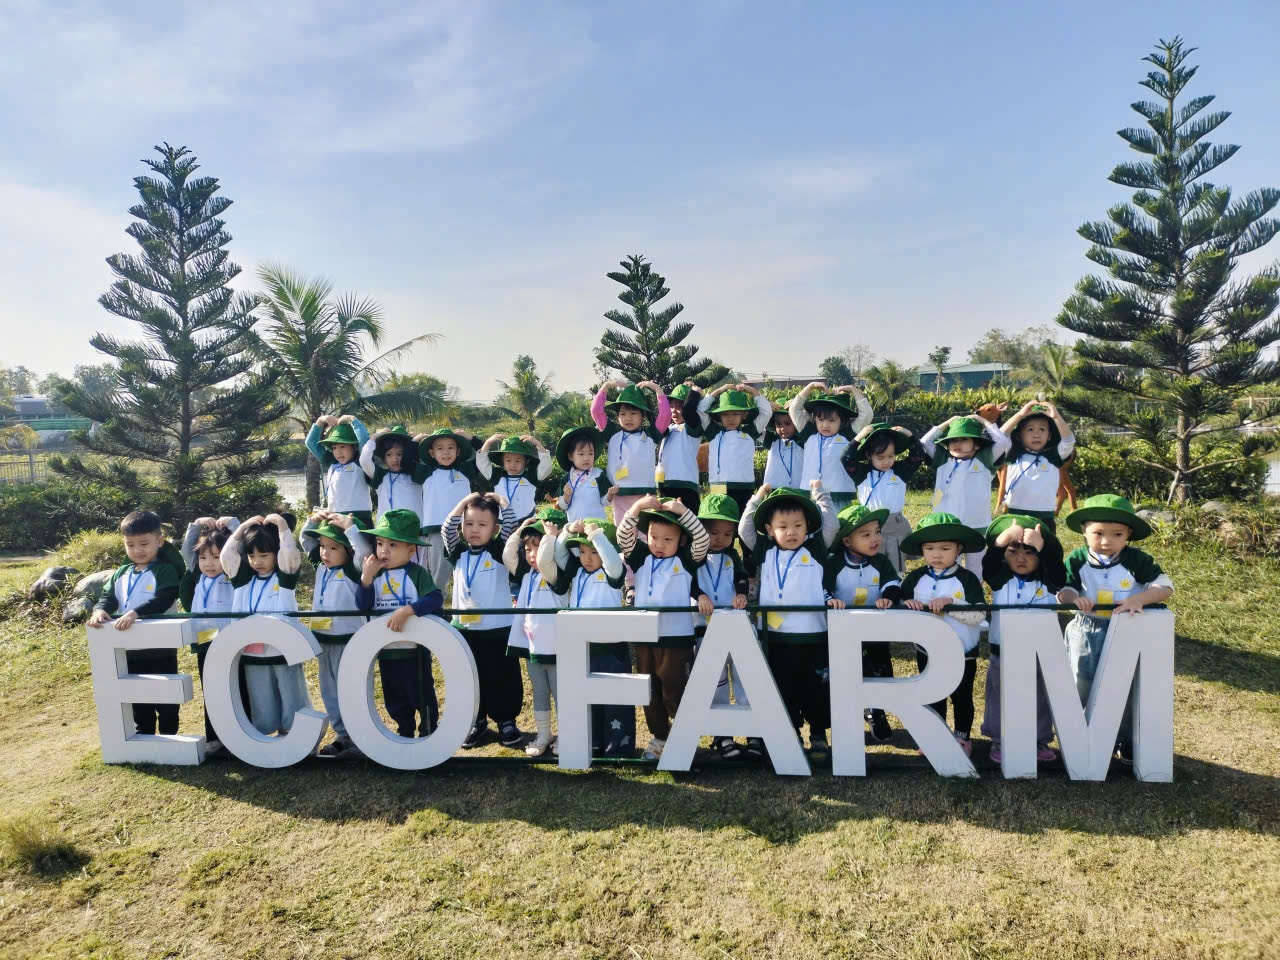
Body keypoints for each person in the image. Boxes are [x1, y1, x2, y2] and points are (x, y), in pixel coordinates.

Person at [1057, 494, 1173, 765]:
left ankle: (1124, 740)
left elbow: (1164, 586)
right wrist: (1074, 598)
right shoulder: (1077, 559)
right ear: (1084, 530)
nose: (1106, 541)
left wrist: (1139, 599)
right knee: (1081, 682)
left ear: (1128, 534)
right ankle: (1081, 737)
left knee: (1125, 685)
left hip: (1126, 630)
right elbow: (1062, 588)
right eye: (1098, 533)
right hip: (1087, 629)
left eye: (1117, 534)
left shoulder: (1136, 560)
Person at [738, 482, 839, 761]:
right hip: (775, 637)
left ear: (808, 527)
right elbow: (745, 530)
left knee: (816, 688)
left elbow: (831, 525)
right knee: (783, 688)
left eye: (798, 525)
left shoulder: (815, 548)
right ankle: (790, 733)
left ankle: (818, 735)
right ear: (770, 530)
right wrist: (757, 498)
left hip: (812, 634)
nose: (791, 532)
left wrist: (820, 493)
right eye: (783, 527)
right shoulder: (765, 550)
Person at [617, 495, 711, 761]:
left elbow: (702, 539)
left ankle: (683, 738)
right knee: (649, 691)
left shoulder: (686, 560)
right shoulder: (640, 556)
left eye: (668, 539)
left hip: (676, 638)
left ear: (680, 541)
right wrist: (637, 507)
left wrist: (683, 511)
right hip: (644, 637)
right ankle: (659, 737)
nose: (659, 544)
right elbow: (623, 537)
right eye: (653, 537)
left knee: (674, 689)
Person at [538, 518, 632, 756]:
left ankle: (618, 748)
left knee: (613, 699)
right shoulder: (578, 571)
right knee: (588, 698)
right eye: (582, 552)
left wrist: (596, 535)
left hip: (610, 649)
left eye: (594, 552)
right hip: (582, 647)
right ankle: (593, 742)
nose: (587, 558)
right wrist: (569, 530)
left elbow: (611, 560)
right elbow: (560, 553)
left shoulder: (613, 573)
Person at [89, 510, 185, 736]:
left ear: (159, 541)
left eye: (144, 543)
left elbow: (164, 598)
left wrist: (136, 613)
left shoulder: (165, 570)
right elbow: (108, 597)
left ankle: (170, 740)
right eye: (130, 545)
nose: (137, 550)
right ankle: (145, 740)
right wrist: (100, 610)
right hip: (128, 650)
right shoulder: (121, 573)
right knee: (137, 699)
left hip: (160, 649)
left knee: (166, 699)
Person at [899, 513, 987, 757]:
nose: (937, 554)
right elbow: (899, 605)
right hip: (926, 649)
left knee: (962, 696)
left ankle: (962, 737)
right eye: (929, 548)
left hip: (962, 651)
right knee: (932, 694)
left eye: (945, 548)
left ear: (959, 549)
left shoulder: (967, 579)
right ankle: (935, 735)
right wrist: (907, 604)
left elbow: (980, 615)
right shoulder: (915, 578)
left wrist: (952, 604)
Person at [981, 514, 1066, 765]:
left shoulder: (1047, 581)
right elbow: (988, 565)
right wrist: (1001, 541)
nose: (1021, 558)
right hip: (1003, 650)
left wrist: (1043, 546)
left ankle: (1039, 739)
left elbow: (1059, 574)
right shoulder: (1000, 579)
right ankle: (999, 738)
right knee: (999, 694)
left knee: (1039, 695)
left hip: (1040, 652)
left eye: (1030, 552)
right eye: (1013, 551)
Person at [356, 508, 445, 742]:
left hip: (414, 651)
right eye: (380, 543)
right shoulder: (374, 574)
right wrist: (366, 578)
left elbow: (435, 598)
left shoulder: (418, 573)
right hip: (386, 651)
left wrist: (408, 611)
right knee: (394, 697)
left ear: (411, 550)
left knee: (421, 693)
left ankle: (429, 731)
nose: (384, 550)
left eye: (393, 545)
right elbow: (362, 605)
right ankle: (403, 732)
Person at [443, 492, 522, 749]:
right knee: (470, 677)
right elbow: (447, 530)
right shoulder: (458, 552)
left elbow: (512, 527)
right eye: (469, 523)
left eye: (482, 524)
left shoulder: (499, 550)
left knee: (502, 676)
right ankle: (476, 720)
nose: (474, 529)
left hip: (497, 629)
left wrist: (502, 502)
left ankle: (506, 721)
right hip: (465, 630)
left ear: (495, 528)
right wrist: (464, 502)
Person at [219, 514, 308, 737]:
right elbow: (227, 556)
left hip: (283, 651)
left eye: (264, 555)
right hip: (253, 653)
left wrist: (282, 526)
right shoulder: (243, 579)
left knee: (292, 697)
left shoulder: (284, 577)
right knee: (261, 700)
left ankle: (296, 736)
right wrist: (242, 528)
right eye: (251, 555)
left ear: (276, 554)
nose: (257, 561)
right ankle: (265, 739)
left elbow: (290, 553)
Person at [823, 503, 903, 744]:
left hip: (875, 631)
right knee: (846, 675)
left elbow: (893, 584)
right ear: (847, 541)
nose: (875, 539)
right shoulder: (834, 563)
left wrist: (888, 598)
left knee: (879, 671)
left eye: (877, 532)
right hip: (843, 633)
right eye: (865, 535)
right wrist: (831, 600)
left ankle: (876, 712)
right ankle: (846, 722)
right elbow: (822, 588)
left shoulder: (881, 562)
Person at [300, 510, 373, 756]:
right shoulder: (321, 567)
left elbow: (363, 552)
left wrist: (350, 527)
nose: (325, 553)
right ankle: (343, 735)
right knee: (330, 692)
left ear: (348, 550)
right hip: (324, 641)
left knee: (352, 690)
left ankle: (361, 736)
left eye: (333, 548)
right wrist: (312, 520)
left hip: (349, 642)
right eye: (323, 546)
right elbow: (306, 541)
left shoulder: (354, 569)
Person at [691, 494, 754, 759]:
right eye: (713, 532)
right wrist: (700, 596)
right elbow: (689, 582)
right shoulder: (693, 556)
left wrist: (741, 594)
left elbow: (741, 578)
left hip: (734, 626)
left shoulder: (732, 556)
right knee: (714, 681)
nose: (720, 539)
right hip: (704, 629)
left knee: (744, 676)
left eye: (728, 534)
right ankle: (722, 735)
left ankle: (754, 730)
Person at [504, 516, 567, 757]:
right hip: (532, 646)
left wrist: (550, 537)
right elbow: (508, 556)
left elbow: (544, 562)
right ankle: (544, 734)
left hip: (556, 647)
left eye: (537, 548)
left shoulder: (556, 575)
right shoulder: (526, 574)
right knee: (539, 693)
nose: (532, 555)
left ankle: (566, 735)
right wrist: (520, 530)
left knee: (561, 694)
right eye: (528, 550)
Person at [179, 516, 240, 754]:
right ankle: (214, 737)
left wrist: (234, 525)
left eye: (216, 557)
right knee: (211, 691)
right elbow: (187, 550)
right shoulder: (197, 575)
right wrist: (195, 525)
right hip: (205, 643)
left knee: (234, 689)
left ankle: (239, 736)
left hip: (231, 644)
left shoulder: (233, 574)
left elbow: (242, 548)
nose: (209, 563)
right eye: (204, 557)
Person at [919, 414, 1011, 571]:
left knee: (976, 569)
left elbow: (1001, 441)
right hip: (947, 525)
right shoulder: (942, 459)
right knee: (947, 567)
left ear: (976, 444)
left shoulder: (984, 459)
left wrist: (980, 419)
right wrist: (948, 421)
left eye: (964, 439)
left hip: (977, 524)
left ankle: (974, 587)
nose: (957, 444)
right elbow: (925, 441)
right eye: (953, 440)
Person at [842, 422, 927, 574]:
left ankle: (896, 584)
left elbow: (918, 456)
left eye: (891, 456)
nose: (886, 461)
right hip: (870, 523)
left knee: (896, 563)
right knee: (873, 562)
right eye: (880, 457)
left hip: (895, 525)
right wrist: (859, 438)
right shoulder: (862, 472)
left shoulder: (900, 470)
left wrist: (910, 435)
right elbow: (846, 458)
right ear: (869, 455)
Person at [591, 380, 671, 532]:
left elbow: (665, 416)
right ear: (618, 416)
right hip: (619, 492)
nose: (628, 418)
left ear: (643, 415)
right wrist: (606, 386)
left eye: (633, 413)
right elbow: (596, 411)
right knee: (623, 530)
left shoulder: (650, 434)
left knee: (645, 532)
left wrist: (657, 389)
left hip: (645, 493)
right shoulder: (612, 432)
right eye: (623, 414)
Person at [417, 427, 483, 591]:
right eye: (440, 448)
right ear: (432, 453)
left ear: (458, 451)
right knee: (438, 574)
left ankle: (468, 602)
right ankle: (437, 604)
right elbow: (406, 461)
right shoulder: (426, 472)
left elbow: (483, 455)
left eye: (451, 448)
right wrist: (415, 441)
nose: (446, 452)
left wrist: (471, 438)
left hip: (465, 527)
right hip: (436, 528)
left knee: (469, 568)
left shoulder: (465, 470)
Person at [788, 382, 873, 508]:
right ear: (815, 419)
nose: (825, 425)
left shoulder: (848, 435)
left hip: (839, 496)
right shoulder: (809, 433)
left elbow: (867, 414)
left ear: (842, 421)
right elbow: (794, 409)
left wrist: (853, 390)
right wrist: (810, 386)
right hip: (811, 495)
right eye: (821, 419)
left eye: (832, 420)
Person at [998, 401, 1076, 529]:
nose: (1036, 434)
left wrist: (1056, 417)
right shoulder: (1013, 453)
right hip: (1015, 516)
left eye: (1042, 429)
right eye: (1030, 429)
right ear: (1019, 435)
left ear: (1049, 435)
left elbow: (1068, 441)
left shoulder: (1054, 456)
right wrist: (1020, 414)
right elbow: (1000, 437)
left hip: (1045, 518)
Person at [697, 383, 773, 514]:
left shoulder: (750, 432)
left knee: (742, 522)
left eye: (735, 413)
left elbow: (766, 412)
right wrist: (720, 390)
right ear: (719, 416)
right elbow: (700, 409)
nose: (730, 418)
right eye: (725, 414)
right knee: (720, 521)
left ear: (744, 415)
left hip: (744, 487)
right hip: (718, 486)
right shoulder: (713, 432)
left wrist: (751, 390)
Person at [305, 415, 373, 527]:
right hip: (333, 517)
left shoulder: (360, 462)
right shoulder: (332, 462)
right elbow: (310, 443)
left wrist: (352, 419)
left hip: (358, 518)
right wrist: (320, 421)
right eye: (334, 448)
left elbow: (364, 441)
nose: (338, 452)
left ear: (354, 447)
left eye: (342, 446)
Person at [477, 434, 553, 524]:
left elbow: (546, 467)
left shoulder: (531, 476)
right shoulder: (497, 475)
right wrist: (488, 443)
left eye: (517, 461)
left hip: (526, 521)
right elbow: (482, 464)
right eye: (508, 460)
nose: (513, 465)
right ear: (502, 460)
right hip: (502, 522)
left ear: (526, 461)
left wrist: (538, 444)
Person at [360, 424, 425, 523]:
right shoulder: (380, 476)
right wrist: (373, 439)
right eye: (389, 454)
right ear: (383, 457)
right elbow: (364, 460)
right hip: (387, 529)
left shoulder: (417, 474)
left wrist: (417, 444)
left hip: (414, 529)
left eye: (400, 454)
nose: (395, 459)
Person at [656, 382, 705, 512]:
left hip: (685, 486)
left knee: (689, 522)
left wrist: (695, 393)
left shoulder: (692, 428)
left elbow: (689, 411)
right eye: (671, 406)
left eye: (679, 406)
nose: (673, 410)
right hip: (665, 484)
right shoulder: (669, 428)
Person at [554, 426, 612, 524]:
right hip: (575, 525)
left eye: (590, 453)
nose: (586, 458)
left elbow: (604, 502)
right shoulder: (567, 479)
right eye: (581, 454)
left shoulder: (598, 475)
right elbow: (561, 506)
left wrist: (610, 495)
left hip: (597, 524)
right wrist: (566, 496)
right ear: (570, 456)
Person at [762, 404, 804, 490]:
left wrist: (799, 406)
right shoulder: (771, 440)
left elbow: (810, 421)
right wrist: (765, 407)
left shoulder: (803, 441)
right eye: (778, 424)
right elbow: (755, 424)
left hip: (798, 490)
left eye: (787, 424)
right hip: (773, 490)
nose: (782, 428)